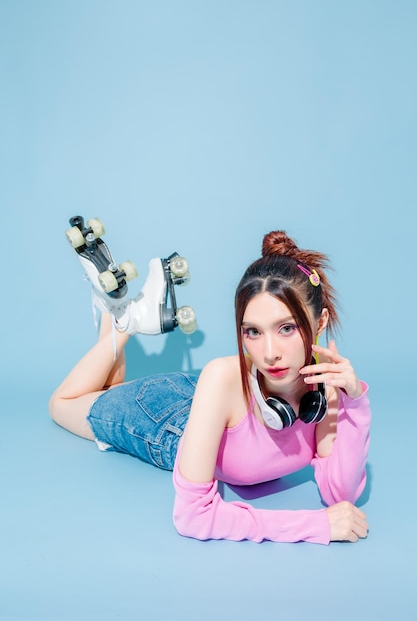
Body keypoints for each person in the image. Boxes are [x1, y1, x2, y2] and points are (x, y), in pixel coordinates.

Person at [50, 220, 370, 545]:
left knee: (108, 388)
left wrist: (355, 403)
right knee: (61, 405)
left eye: (286, 328)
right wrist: (313, 526)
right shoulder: (221, 375)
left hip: (211, 403)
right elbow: (192, 517)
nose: (269, 354)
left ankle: (113, 312)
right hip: (166, 422)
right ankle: (125, 324)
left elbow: (340, 493)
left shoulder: (324, 384)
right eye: (253, 332)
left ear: (320, 322)